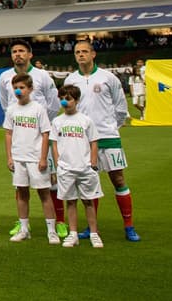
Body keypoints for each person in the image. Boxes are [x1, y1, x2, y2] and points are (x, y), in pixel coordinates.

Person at [63, 39, 139, 242]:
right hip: (83, 140)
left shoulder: (108, 78)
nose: (81, 55)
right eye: (78, 52)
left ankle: (129, 226)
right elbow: (69, 108)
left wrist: (112, 127)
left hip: (108, 137)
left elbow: (121, 107)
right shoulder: (70, 80)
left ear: (93, 54)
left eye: (84, 51)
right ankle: (91, 227)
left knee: (118, 180)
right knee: (89, 183)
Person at [0, 39, 66, 237]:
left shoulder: (42, 76)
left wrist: (42, 125)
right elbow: (5, 104)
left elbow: (53, 104)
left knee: (50, 183)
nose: (17, 54)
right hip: (20, 137)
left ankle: (58, 222)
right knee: (20, 185)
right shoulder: (4, 77)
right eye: (14, 51)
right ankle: (23, 224)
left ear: (30, 54)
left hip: (41, 137)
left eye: (21, 51)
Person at [2, 73, 58, 245]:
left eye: (22, 88)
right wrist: (10, 157)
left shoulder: (38, 109)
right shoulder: (12, 110)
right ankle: (24, 229)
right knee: (22, 193)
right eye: (16, 88)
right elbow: (9, 133)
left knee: (44, 193)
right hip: (19, 158)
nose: (19, 91)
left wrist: (43, 158)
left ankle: (51, 231)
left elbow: (45, 134)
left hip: (35, 158)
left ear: (30, 89)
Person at [50, 85, 103, 248]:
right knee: (70, 202)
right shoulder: (57, 121)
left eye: (69, 99)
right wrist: (58, 163)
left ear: (77, 100)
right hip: (66, 169)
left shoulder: (85, 120)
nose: (65, 102)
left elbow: (94, 142)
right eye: (62, 99)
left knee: (88, 201)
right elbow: (54, 144)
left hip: (85, 167)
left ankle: (94, 233)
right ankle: (73, 234)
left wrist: (93, 162)